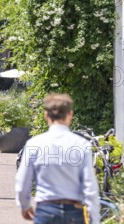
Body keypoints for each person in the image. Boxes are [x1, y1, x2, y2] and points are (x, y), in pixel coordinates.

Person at [15, 93, 100, 223]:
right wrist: (95, 219)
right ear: (70, 114)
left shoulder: (34, 144)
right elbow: (90, 186)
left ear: (46, 115)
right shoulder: (82, 145)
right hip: (74, 211)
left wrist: (25, 206)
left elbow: (22, 183)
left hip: (46, 210)